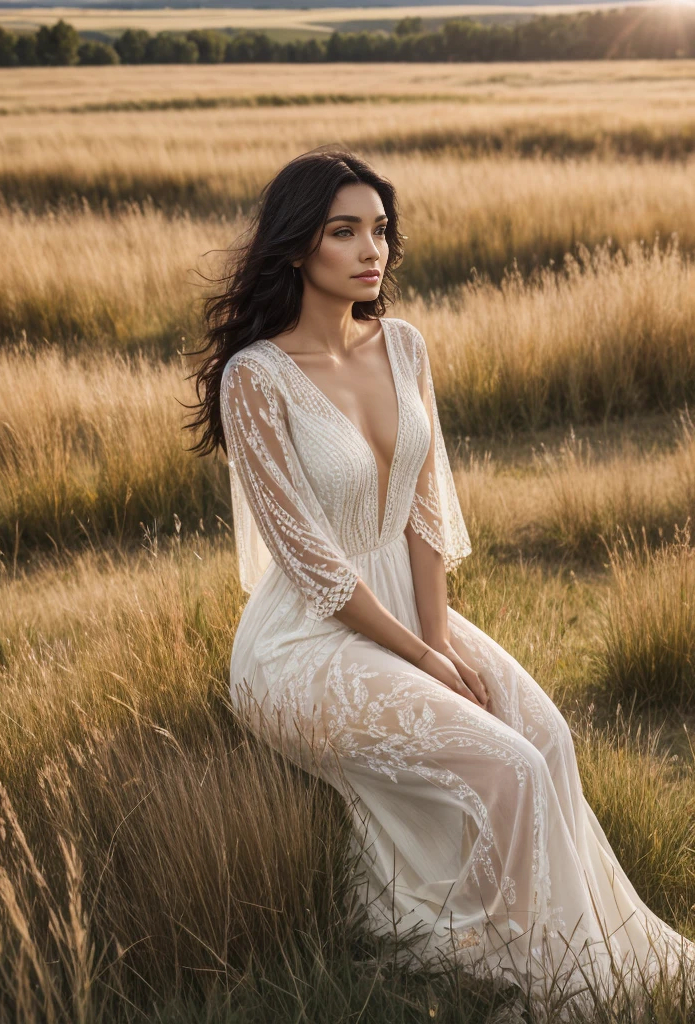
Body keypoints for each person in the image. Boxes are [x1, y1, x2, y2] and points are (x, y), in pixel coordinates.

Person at [186, 146, 695, 1017]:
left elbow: (425, 514)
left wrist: (442, 636)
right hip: (302, 642)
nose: (369, 249)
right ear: (298, 245)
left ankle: (585, 950)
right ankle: (543, 980)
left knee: (549, 741)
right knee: (507, 768)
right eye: (343, 231)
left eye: (379, 230)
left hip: (412, 613)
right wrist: (425, 659)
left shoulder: (406, 346)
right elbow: (311, 564)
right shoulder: (255, 378)